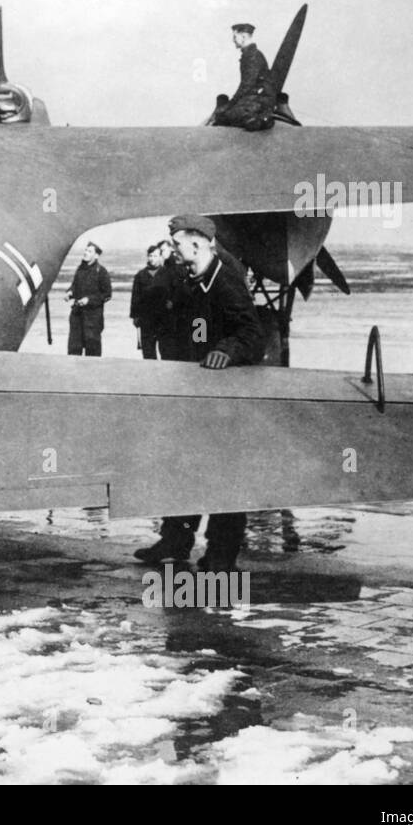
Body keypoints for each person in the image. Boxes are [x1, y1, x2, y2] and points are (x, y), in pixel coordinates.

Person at [133, 214, 268, 572]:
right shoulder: (184, 278)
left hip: (223, 396)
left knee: (224, 473)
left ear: (197, 244)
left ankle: (221, 557)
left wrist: (227, 350)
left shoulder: (225, 281)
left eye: (176, 244)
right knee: (180, 467)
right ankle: (174, 541)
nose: (171, 250)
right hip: (189, 389)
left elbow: (253, 334)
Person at [210, 23, 275, 132]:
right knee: (226, 116)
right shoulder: (251, 54)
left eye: (235, 37)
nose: (233, 40)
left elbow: (246, 86)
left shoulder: (251, 56)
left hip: (259, 99)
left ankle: (261, 120)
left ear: (244, 37)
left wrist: (229, 104)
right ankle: (256, 119)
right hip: (257, 97)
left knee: (224, 117)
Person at [65, 241, 111, 356]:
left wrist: (89, 300)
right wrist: (70, 293)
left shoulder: (101, 271)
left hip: (93, 318)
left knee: (93, 352)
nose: (85, 253)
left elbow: (107, 294)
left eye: (89, 251)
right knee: (74, 350)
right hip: (77, 315)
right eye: (85, 250)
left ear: (96, 255)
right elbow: (75, 286)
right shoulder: (80, 269)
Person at [130, 243, 166, 359]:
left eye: (155, 256)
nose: (152, 259)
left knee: (165, 350)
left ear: (160, 257)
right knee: (148, 351)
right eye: (150, 256)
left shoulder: (167, 274)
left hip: (163, 319)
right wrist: (135, 316)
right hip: (146, 319)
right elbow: (135, 297)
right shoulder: (140, 275)